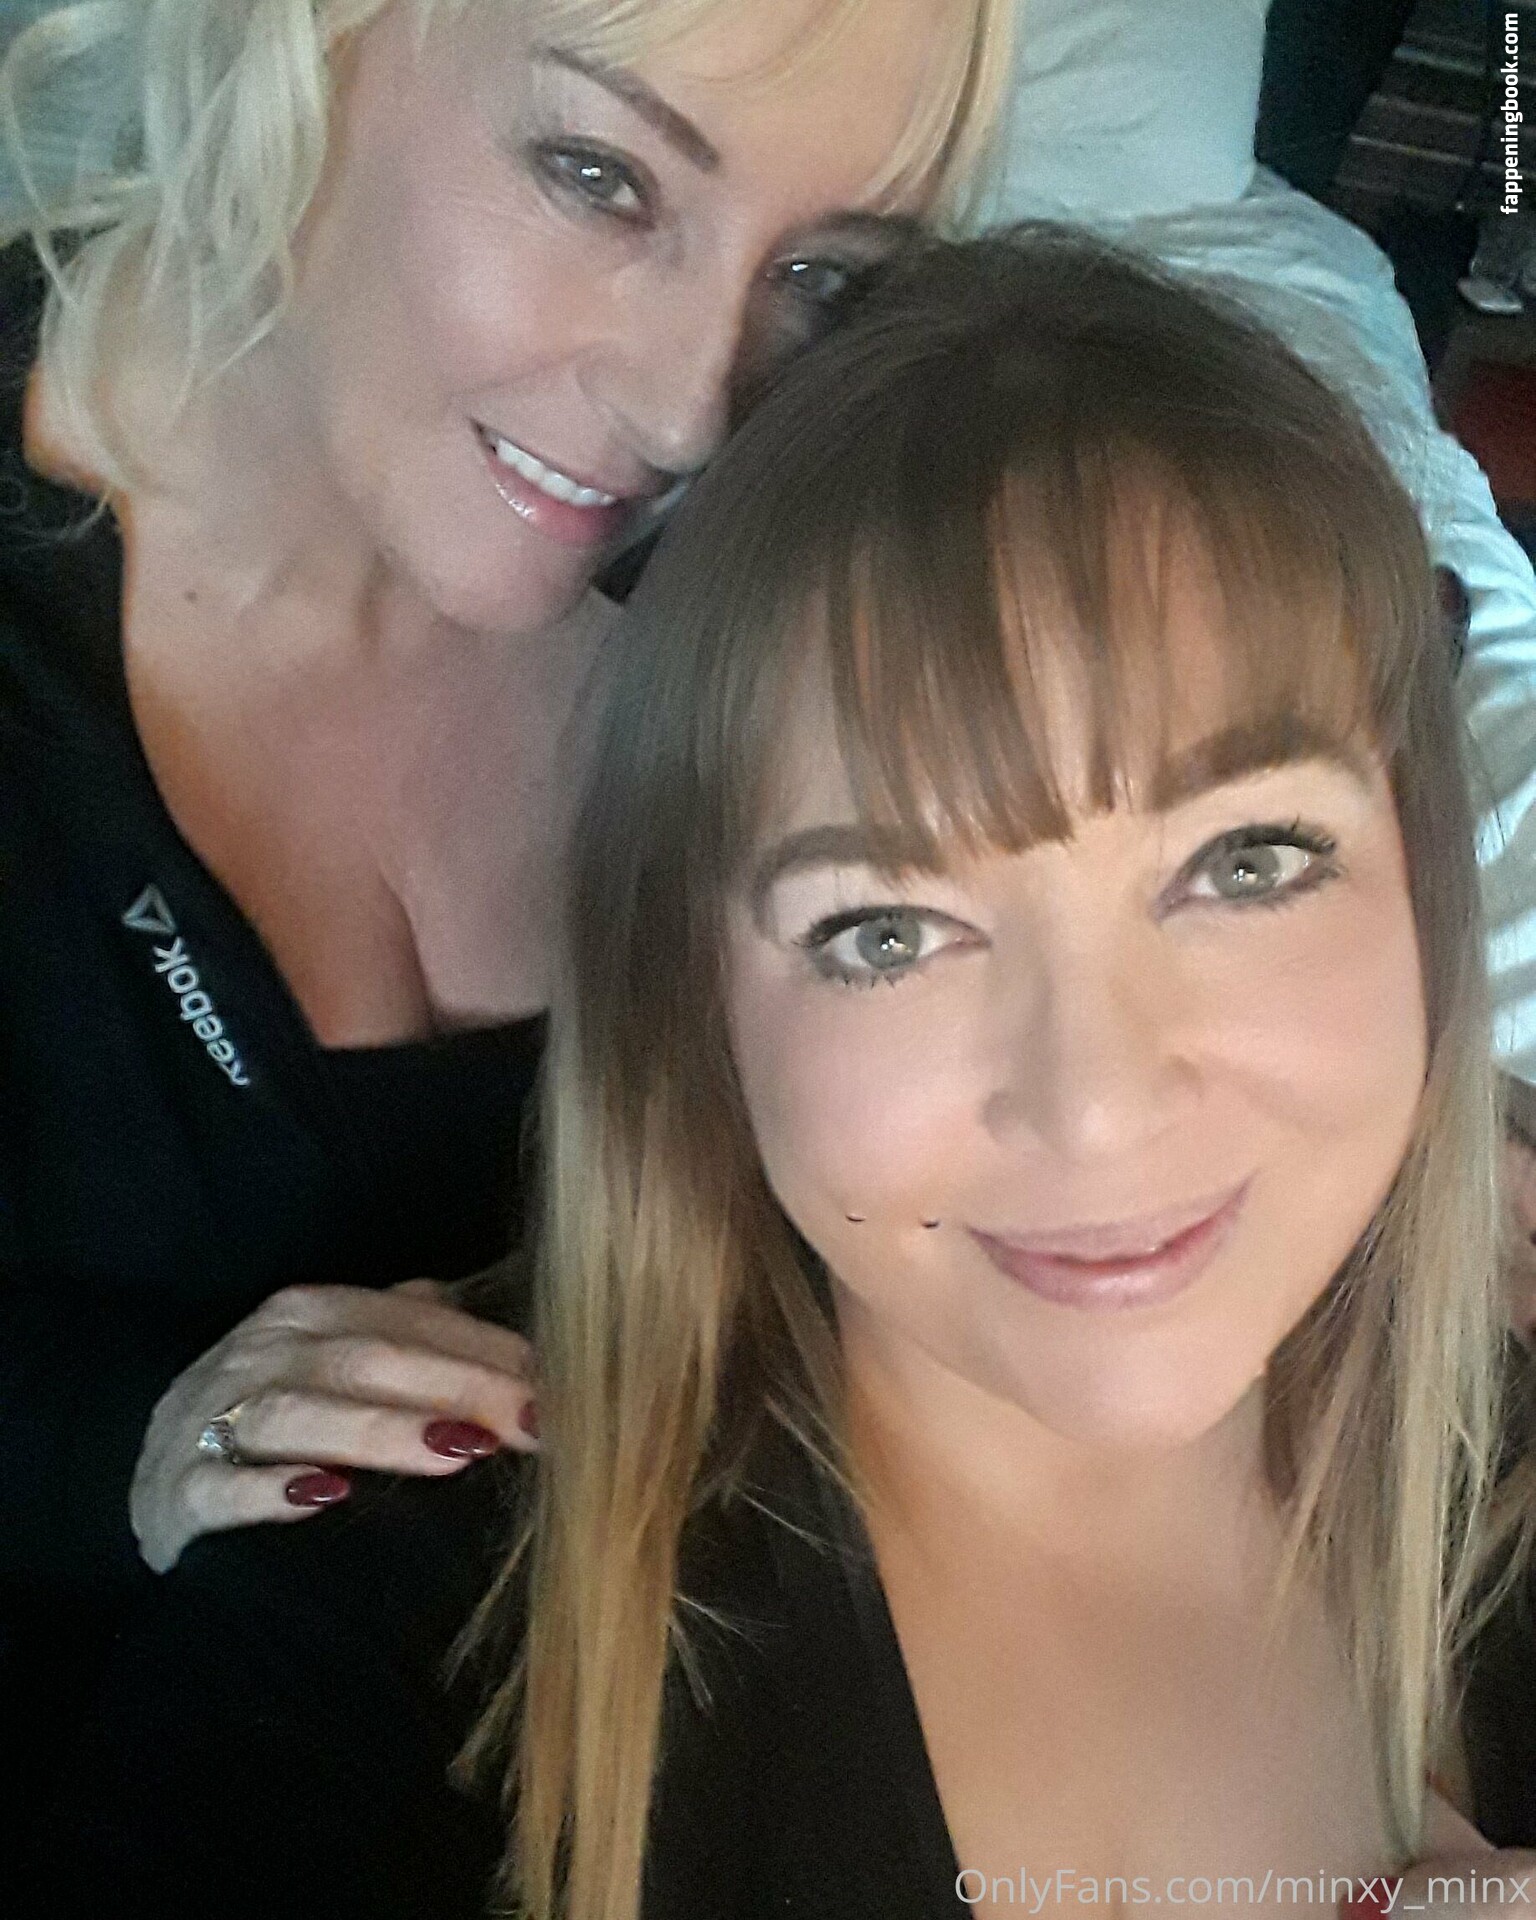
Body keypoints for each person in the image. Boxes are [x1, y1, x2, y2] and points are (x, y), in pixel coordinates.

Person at [58, 229, 1536, 1918]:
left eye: (1248, 862)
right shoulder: (410, 1651)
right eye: (886, 933)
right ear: (702, 1008)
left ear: (1419, 881)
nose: (1096, 1103)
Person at [0, 0, 1011, 1776]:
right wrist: (125, 1446)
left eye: (823, 276)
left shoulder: (796, 605)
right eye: (598, 176)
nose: (690, 411)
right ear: (299, 40)